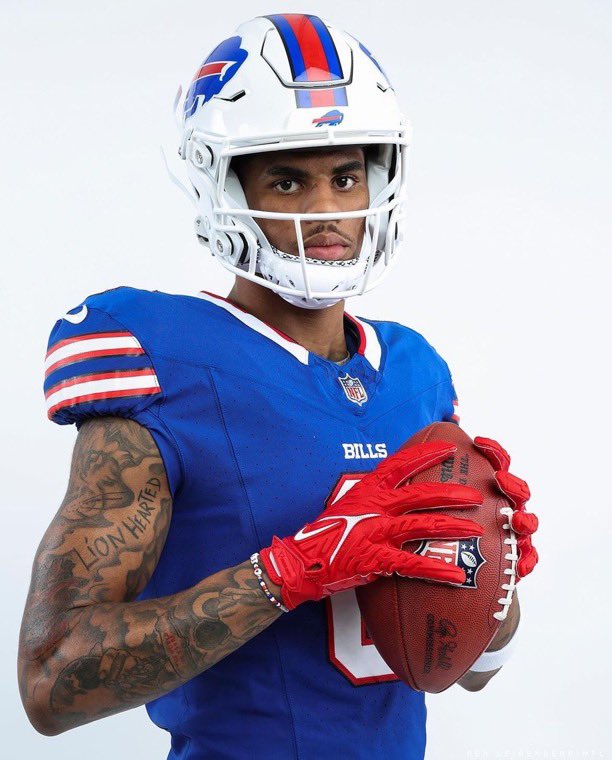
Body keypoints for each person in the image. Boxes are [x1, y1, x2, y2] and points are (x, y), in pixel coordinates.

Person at [18, 14, 539, 759]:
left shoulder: (416, 373)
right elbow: (50, 680)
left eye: (346, 175)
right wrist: (289, 571)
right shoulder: (166, 358)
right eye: (289, 179)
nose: (328, 211)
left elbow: (471, 669)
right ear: (223, 183)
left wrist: (492, 572)